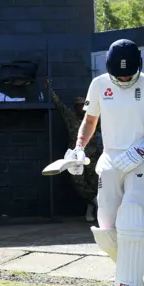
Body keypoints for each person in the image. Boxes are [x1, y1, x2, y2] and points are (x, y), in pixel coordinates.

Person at [67, 39, 144, 286]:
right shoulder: (99, 84)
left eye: (128, 73)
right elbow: (90, 120)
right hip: (111, 160)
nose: (124, 78)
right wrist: (78, 148)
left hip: (142, 160)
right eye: (118, 74)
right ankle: (131, 268)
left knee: (132, 216)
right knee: (106, 228)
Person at [50, 89, 102, 221]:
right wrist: (49, 89)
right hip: (75, 157)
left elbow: (107, 129)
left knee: (95, 183)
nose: (80, 108)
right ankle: (95, 202)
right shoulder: (71, 117)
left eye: (82, 105)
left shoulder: (93, 118)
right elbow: (59, 105)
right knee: (78, 182)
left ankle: (91, 208)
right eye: (78, 106)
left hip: (92, 156)